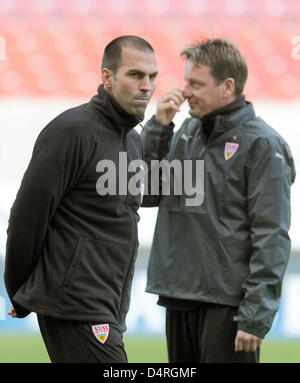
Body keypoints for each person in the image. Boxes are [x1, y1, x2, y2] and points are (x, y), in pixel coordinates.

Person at [4, 35, 158, 363]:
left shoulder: (133, 141)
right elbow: (27, 217)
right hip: (75, 303)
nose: (146, 85)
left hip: (108, 304)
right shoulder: (71, 131)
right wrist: (19, 288)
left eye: (152, 76)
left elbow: (125, 210)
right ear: (107, 77)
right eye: (135, 75)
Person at [141, 38, 296, 363]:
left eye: (196, 83)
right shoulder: (185, 132)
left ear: (228, 86)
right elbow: (146, 192)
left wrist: (255, 316)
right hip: (180, 294)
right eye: (186, 81)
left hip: (228, 305)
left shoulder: (264, 146)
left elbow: (271, 236)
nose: (185, 92)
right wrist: (158, 130)